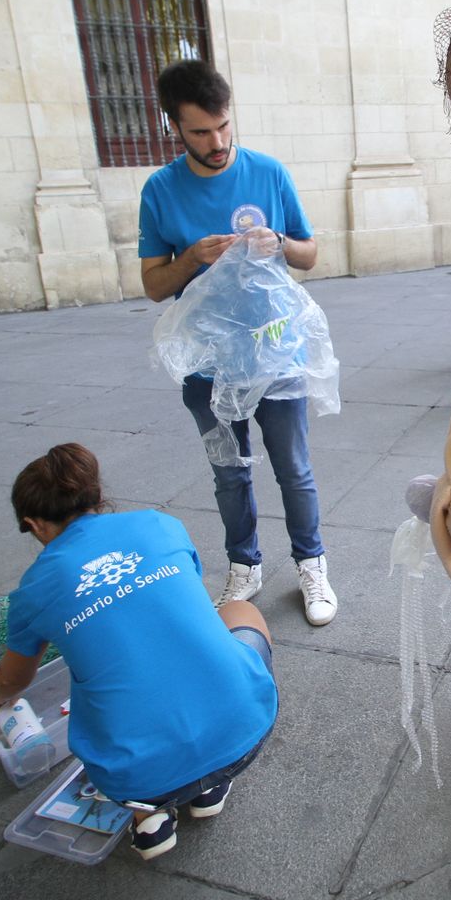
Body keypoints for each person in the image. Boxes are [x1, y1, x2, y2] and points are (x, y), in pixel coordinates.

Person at [0, 443, 278, 860]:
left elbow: (14, 679)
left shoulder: (33, 590)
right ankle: (209, 786)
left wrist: (2, 697)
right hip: (243, 730)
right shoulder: (160, 525)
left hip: (133, 777)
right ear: (96, 495)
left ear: (34, 524)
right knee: (239, 610)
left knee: (108, 691)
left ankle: (149, 817)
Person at [138, 59, 338, 625]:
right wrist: (190, 260)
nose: (218, 141)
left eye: (224, 125)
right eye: (201, 132)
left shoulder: (268, 172)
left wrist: (279, 242)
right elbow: (153, 285)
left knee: (293, 469)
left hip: (277, 351)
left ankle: (312, 565)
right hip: (208, 363)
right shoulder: (160, 191)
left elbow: (310, 253)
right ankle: (243, 566)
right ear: (174, 128)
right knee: (230, 472)